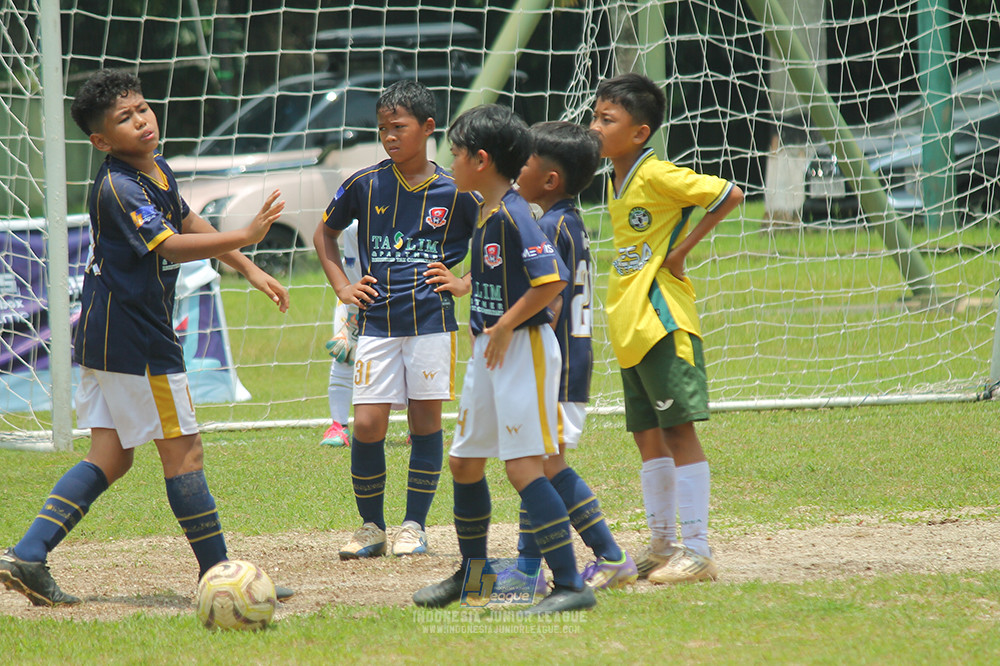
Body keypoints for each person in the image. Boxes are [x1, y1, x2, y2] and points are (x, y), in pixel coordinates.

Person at [0, 68, 294, 607]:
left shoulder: (153, 168)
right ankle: (219, 578)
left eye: (142, 108)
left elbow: (186, 219)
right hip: (136, 339)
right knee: (185, 455)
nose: (141, 121)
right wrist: (248, 233)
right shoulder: (119, 185)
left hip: (107, 335)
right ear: (100, 140)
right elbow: (170, 245)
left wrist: (248, 267)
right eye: (124, 118)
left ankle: (28, 555)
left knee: (110, 456)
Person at [414, 104, 596, 615]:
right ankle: (474, 578)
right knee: (465, 463)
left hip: (523, 352)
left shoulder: (517, 213)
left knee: (522, 468)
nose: (448, 161)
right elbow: (503, 276)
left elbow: (551, 280)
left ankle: (569, 585)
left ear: (482, 159)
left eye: (455, 153)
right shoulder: (485, 209)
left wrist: (507, 324)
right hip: (488, 351)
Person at [589, 72, 744, 584]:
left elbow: (729, 193)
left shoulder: (656, 173)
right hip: (629, 324)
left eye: (607, 119)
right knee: (646, 436)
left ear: (640, 131)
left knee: (677, 431)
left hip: (662, 322)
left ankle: (697, 551)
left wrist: (680, 251)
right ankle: (661, 544)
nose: (595, 126)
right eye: (595, 115)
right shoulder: (616, 176)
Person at [314, 80, 479, 558]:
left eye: (399, 127)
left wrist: (464, 281)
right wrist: (344, 288)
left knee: (425, 422)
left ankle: (414, 525)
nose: (389, 136)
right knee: (366, 424)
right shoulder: (365, 184)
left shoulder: (456, 189)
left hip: (431, 322)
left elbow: (494, 238)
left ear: (428, 128)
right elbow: (326, 234)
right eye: (383, 128)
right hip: (377, 324)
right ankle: (371, 527)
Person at [501, 120, 638, 591]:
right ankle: (526, 569)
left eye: (526, 162)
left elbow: (551, 300)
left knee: (545, 467)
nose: (517, 168)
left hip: (555, 369)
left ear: (550, 179)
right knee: (535, 463)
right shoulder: (570, 222)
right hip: (570, 364)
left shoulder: (546, 227)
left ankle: (609, 554)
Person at [320, 220, 360, 448]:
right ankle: (339, 426)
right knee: (344, 354)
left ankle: (417, 428)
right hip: (353, 294)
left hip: (400, 293)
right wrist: (353, 312)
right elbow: (324, 234)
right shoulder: (354, 220)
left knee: (407, 359)